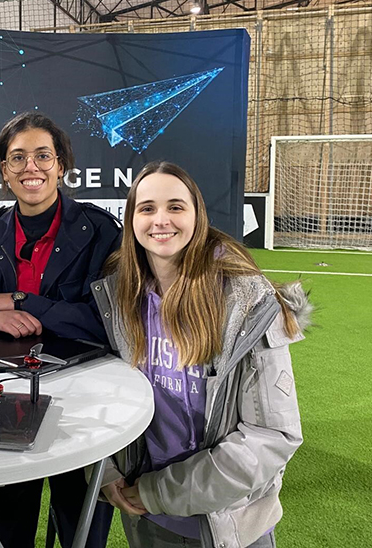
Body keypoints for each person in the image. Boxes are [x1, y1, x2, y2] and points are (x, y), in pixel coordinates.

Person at [90, 161, 311, 548]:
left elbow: (273, 436)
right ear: (131, 220)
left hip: (229, 528)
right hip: (146, 520)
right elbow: (108, 396)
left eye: (175, 207)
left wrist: (159, 492)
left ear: (197, 216)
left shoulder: (246, 303)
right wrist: (107, 473)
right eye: (147, 208)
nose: (161, 220)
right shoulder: (119, 297)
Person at [0, 111, 121, 548]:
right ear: (3, 171)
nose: (31, 167)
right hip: (2, 398)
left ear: (62, 166)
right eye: (17, 158)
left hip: (84, 398)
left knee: (81, 530)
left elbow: (109, 323)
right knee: (0, 527)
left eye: (43, 156)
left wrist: (24, 300)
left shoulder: (102, 231)